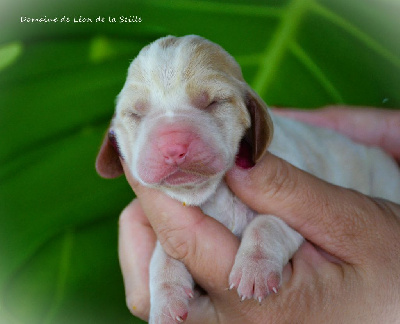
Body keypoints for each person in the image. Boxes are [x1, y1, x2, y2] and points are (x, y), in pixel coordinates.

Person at [118, 106, 400, 323]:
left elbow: (287, 219)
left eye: (212, 105)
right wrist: (166, 278)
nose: (173, 145)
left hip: (375, 186)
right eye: (138, 115)